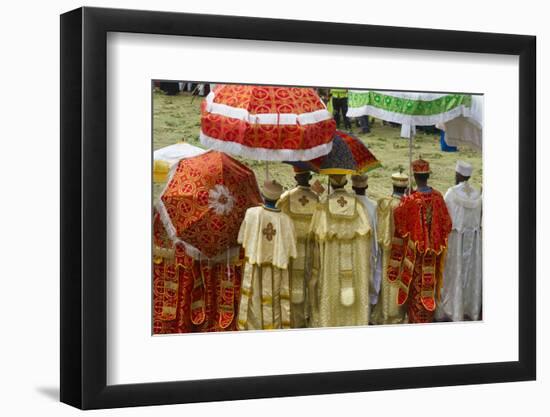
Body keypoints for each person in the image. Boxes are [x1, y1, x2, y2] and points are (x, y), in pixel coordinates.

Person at [387, 158, 452, 323]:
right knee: (429, 286)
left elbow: (399, 221)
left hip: (415, 257)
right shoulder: (438, 197)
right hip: (434, 255)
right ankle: (427, 319)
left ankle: (416, 320)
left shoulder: (410, 200)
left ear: (414, 176)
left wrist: (405, 199)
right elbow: (447, 224)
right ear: (427, 176)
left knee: (417, 288)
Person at [308, 174, 372, 327]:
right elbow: (367, 239)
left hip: (331, 265)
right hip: (355, 265)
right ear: (345, 182)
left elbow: (314, 238)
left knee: (331, 288)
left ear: (331, 184)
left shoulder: (323, 207)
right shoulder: (358, 206)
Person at [237, 180, 297, 330]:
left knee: (253, 301)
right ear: (279, 199)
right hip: (276, 268)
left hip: (255, 266)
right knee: (274, 303)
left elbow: (241, 239)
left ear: (263, 195)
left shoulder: (251, 213)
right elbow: (291, 249)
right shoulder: (286, 220)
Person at [436, 161, 482, 321]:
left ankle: (451, 309)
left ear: (459, 175)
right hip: (473, 242)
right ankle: (471, 308)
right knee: (469, 273)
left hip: (455, 239)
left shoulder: (451, 193)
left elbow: (443, 216)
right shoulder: (478, 195)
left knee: (453, 272)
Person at [277, 168, 319, 327]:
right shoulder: (316, 198)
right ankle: (305, 317)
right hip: (309, 249)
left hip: (290, 250)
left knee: (289, 282)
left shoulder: (286, 197)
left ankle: (289, 317)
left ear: (295, 176)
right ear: (309, 177)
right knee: (306, 282)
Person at [371, 170, 409, 325]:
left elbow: (380, 229)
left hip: (388, 249)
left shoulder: (384, 203)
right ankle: (398, 314)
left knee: (387, 281)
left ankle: (385, 313)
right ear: (406, 186)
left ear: (392, 185)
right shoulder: (408, 204)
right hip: (404, 250)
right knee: (400, 282)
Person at [351, 174, 381, 306]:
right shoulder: (373, 205)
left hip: (351, 247)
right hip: (367, 247)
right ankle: (367, 304)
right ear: (367, 186)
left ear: (352, 187)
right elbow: (376, 230)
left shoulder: (347, 204)